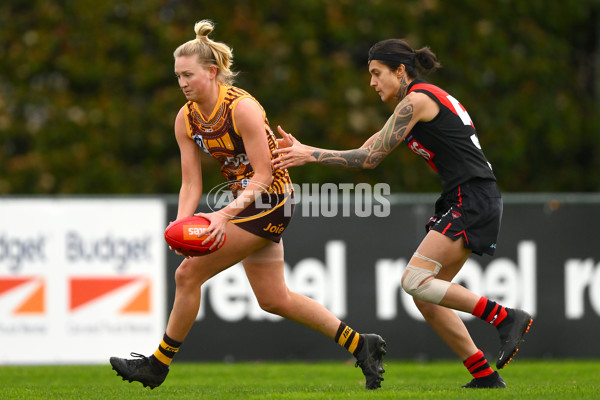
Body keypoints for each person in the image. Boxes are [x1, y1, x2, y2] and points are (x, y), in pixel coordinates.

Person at [109, 20, 386, 390]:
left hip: (271, 199)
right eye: (177, 76)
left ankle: (157, 365)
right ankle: (361, 344)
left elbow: (264, 173)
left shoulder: (242, 109)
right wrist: (179, 225)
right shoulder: (186, 118)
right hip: (244, 201)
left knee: (187, 275)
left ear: (211, 72)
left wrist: (223, 216)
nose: (182, 83)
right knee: (274, 299)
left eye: (188, 75)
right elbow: (190, 182)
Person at [272, 38, 533, 389]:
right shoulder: (423, 98)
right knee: (426, 295)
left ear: (400, 70)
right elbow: (370, 150)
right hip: (468, 197)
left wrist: (308, 154)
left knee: (414, 280)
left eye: (377, 73)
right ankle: (484, 376)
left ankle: (505, 317)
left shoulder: (417, 101)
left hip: (471, 198)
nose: (372, 82)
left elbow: (369, 158)